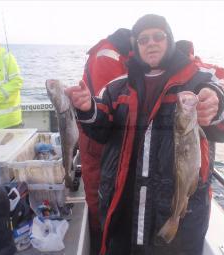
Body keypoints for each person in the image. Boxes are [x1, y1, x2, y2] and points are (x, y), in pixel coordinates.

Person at [66, 14, 224, 255]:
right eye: (143, 39)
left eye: (158, 36)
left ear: (169, 39)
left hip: (179, 219)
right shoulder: (117, 86)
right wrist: (87, 108)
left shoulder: (202, 77)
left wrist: (219, 99)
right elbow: (102, 129)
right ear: (135, 46)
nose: (150, 43)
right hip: (123, 210)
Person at [77, 28, 132, 254]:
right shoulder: (108, 58)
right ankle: (99, 240)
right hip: (97, 140)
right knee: (98, 192)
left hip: (98, 136)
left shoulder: (111, 53)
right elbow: (111, 103)